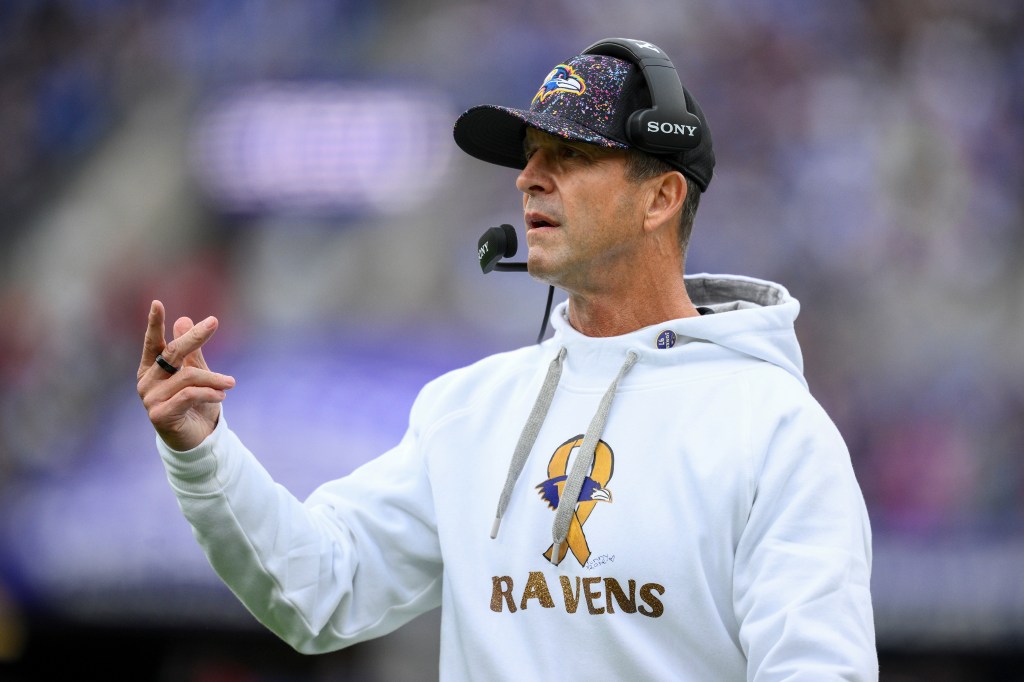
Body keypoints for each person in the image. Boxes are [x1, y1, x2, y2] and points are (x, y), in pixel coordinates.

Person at [137, 37, 877, 680]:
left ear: (661, 198)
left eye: (571, 156)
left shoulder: (776, 430)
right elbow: (321, 590)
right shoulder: (466, 409)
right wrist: (203, 452)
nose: (529, 179)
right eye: (530, 158)